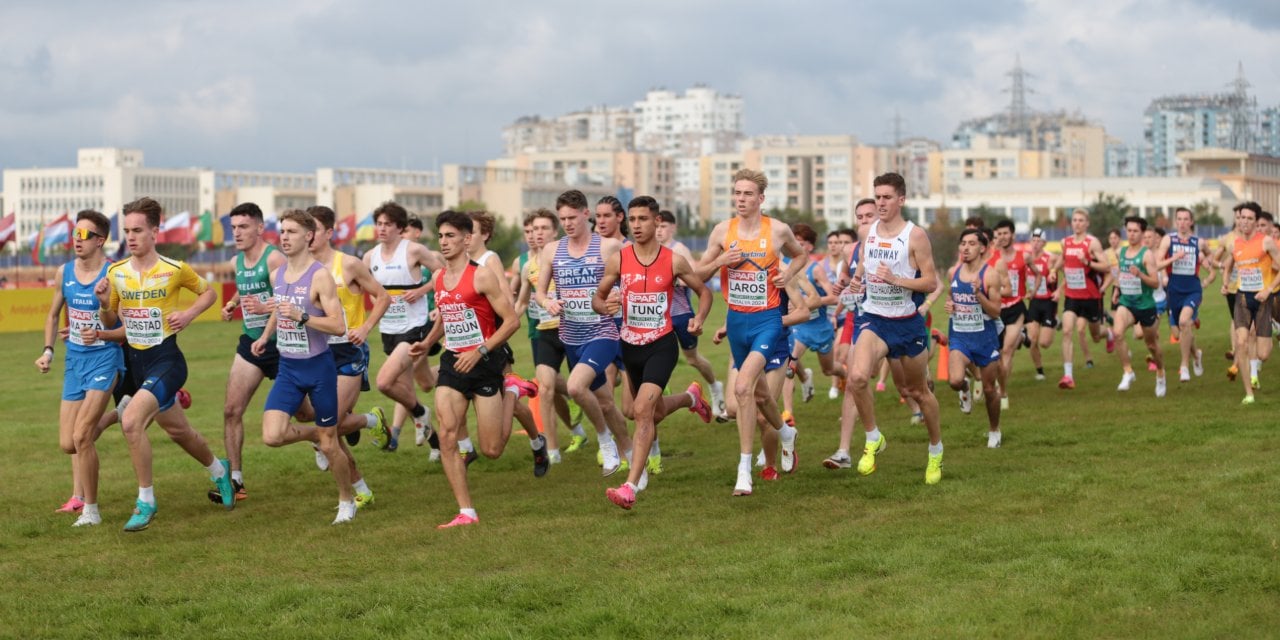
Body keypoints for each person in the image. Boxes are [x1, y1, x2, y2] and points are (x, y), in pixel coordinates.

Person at [95, 197, 235, 531]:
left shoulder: (174, 269)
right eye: (126, 230)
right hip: (136, 363)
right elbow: (113, 318)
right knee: (179, 431)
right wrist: (103, 303)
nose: (131, 236)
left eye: (138, 230)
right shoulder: (116, 272)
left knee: (131, 422)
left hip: (167, 361)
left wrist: (188, 314)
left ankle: (146, 501)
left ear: (155, 231)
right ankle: (220, 471)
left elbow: (209, 293)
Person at [409, 211, 533, 528]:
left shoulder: (481, 276)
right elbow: (446, 318)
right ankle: (466, 511)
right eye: (440, 236)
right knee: (448, 436)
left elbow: (511, 322)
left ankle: (512, 391)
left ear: (467, 239)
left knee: (492, 449)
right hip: (453, 361)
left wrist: (480, 351)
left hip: (485, 361)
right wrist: (428, 342)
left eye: (451, 236)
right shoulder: (437, 278)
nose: (444, 242)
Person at [694, 169, 806, 496]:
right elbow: (697, 273)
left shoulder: (778, 231)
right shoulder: (721, 232)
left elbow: (800, 256)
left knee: (742, 388)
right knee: (759, 395)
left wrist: (789, 276)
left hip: (768, 320)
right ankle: (785, 433)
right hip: (736, 321)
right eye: (737, 193)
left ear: (760, 198)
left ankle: (744, 471)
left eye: (747, 194)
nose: (741, 199)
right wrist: (721, 262)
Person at [597, 196, 714, 509]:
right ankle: (691, 398)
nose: (636, 225)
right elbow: (599, 298)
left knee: (643, 412)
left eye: (643, 219)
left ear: (656, 222)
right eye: (632, 219)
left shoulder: (673, 260)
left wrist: (699, 318)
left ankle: (631, 485)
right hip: (630, 345)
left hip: (662, 344)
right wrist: (606, 307)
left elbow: (704, 292)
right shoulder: (619, 260)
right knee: (650, 410)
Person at [250, 209, 356, 523]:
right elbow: (280, 309)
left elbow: (338, 326)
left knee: (330, 445)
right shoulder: (277, 275)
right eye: (282, 231)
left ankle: (346, 499)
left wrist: (303, 317)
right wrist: (266, 335)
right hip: (288, 369)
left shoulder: (320, 275)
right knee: (272, 436)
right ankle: (319, 434)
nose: (284, 237)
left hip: (319, 368)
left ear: (309, 236)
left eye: (292, 231)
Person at [845, 172, 945, 485]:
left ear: (901, 200)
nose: (881, 202)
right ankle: (873, 437)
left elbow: (930, 281)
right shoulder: (868, 231)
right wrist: (858, 278)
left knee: (917, 391)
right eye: (878, 197)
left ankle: (935, 450)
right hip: (874, 319)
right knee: (858, 377)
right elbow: (865, 258)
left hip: (907, 323)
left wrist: (896, 280)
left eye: (887, 197)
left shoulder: (915, 236)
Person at [35, 210, 130, 526]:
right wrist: (48, 351)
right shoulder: (64, 272)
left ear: (101, 240)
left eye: (85, 235)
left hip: (105, 359)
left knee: (82, 436)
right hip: (74, 361)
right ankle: (120, 412)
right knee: (67, 443)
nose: (77, 239)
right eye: (76, 233)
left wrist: (104, 307)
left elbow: (121, 329)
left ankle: (91, 511)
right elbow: (52, 315)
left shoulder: (114, 273)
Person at [536, 190, 633, 475]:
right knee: (604, 402)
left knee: (576, 387)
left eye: (572, 218)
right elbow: (540, 292)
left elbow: (630, 283)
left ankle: (605, 441)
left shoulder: (609, 247)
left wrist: (618, 297)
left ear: (585, 215)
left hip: (602, 332)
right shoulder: (552, 250)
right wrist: (548, 302)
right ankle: (630, 453)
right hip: (570, 336)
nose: (567, 223)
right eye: (562, 218)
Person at [306, 205, 393, 508]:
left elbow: (382, 297)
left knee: (328, 428)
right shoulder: (300, 268)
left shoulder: (349, 265)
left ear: (329, 232)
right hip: (313, 353)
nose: (308, 235)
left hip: (347, 349)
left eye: (313, 228)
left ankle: (369, 420)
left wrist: (366, 328)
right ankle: (362, 487)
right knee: (328, 432)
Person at [216, 202, 285, 501]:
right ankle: (236, 481)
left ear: (259, 228)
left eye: (243, 227)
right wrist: (232, 304)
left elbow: (285, 302)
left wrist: (264, 312)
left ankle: (323, 439)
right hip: (251, 344)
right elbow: (246, 289)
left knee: (307, 414)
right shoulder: (236, 262)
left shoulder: (274, 260)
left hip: (283, 346)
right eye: (233, 228)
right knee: (231, 410)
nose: (237, 233)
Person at [366, 202, 445, 455]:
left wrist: (420, 290)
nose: (382, 228)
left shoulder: (413, 251)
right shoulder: (370, 257)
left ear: (400, 228)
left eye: (388, 224)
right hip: (389, 329)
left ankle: (421, 412)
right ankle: (437, 445)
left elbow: (442, 273)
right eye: (379, 223)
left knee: (384, 382)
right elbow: (365, 286)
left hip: (414, 328)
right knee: (409, 389)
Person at [515, 209, 586, 463]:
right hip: (545, 331)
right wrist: (507, 324)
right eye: (534, 230)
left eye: (544, 229)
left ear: (555, 231)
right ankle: (553, 451)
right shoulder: (527, 267)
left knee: (591, 390)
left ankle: (605, 435)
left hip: (574, 328)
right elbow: (522, 302)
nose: (538, 234)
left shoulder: (569, 255)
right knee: (544, 387)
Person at [657, 209, 726, 422]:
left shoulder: (680, 250)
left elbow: (693, 279)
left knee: (693, 359)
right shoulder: (649, 250)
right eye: (657, 226)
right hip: (658, 315)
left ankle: (715, 387)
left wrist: (668, 279)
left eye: (664, 227)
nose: (659, 231)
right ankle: (659, 389)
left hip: (681, 313)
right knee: (656, 356)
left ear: (673, 228)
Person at [825, 199, 877, 469]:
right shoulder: (851, 250)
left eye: (870, 215)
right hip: (864, 323)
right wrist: (841, 285)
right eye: (860, 217)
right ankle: (844, 451)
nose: (864, 221)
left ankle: (921, 407)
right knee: (855, 381)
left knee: (911, 386)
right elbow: (844, 280)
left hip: (899, 323)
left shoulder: (896, 245)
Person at [779, 223, 846, 428]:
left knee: (828, 370)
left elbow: (833, 298)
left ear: (808, 247)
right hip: (798, 326)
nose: (794, 246)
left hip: (820, 327)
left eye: (800, 243)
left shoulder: (815, 269)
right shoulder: (785, 264)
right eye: (793, 242)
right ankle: (788, 413)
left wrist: (805, 303)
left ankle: (844, 374)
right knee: (789, 362)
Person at [945, 229, 1005, 448]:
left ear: (982, 248)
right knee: (954, 380)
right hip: (960, 336)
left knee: (990, 390)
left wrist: (979, 295)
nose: (965, 248)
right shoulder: (953, 272)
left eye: (971, 244)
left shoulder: (990, 275)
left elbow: (997, 311)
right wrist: (950, 306)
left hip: (985, 339)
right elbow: (952, 299)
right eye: (963, 243)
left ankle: (994, 430)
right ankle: (964, 388)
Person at [1219, 203, 1280, 404]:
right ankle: (1249, 393)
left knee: (1263, 354)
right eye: (1241, 218)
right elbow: (1228, 266)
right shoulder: (1234, 244)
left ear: (1256, 222)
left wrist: (1268, 290)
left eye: (1249, 219)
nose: (1244, 222)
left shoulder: (1266, 242)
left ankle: (1272, 326)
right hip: (1243, 298)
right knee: (1242, 343)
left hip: (1263, 300)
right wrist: (1225, 283)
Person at [1110, 216, 1167, 397]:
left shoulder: (1147, 255)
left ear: (1142, 233)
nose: (1132, 234)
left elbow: (1155, 283)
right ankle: (1128, 372)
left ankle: (1160, 374)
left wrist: (1140, 275)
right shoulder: (1123, 252)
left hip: (1145, 306)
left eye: (1135, 231)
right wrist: (1117, 289)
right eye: (1129, 230)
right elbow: (1121, 272)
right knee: (1117, 333)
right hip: (1127, 302)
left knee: (1151, 345)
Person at [1155, 207, 1214, 382]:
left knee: (1183, 322)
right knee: (1178, 332)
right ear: (1175, 221)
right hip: (1173, 291)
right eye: (1179, 219)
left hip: (1193, 290)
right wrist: (1174, 258)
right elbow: (1157, 265)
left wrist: (1210, 265)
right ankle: (1196, 354)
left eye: (1185, 219)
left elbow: (1210, 256)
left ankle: (1184, 366)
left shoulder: (1198, 242)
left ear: (1191, 222)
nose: (1182, 222)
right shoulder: (1168, 240)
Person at [1058, 209, 1114, 389]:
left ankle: (1109, 333)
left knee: (1096, 335)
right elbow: (1062, 261)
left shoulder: (1092, 243)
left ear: (1087, 223)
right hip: (1072, 297)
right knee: (1067, 331)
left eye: (1081, 220)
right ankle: (1068, 376)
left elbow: (1107, 267)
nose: (1077, 223)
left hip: (1091, 298)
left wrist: (1087, 262)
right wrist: (1053, 272)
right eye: (1074, 220)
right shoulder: (1065, 243)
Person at [988, 219, 1030, 410]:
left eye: (1006, 233)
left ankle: (1003, 393)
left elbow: (1037, 273)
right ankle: (1021, 337)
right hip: (996, 310)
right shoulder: (991, 258)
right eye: (999, 234)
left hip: (1016, 308)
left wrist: (1032, 290)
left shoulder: (1024, 256)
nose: (1002, 237)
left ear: (1012, 235)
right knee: (996, 356)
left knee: (1006, 351)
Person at [1024, 229, 1061, 381]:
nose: (1036, 243)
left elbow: (1069, 270)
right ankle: (1040, 371)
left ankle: (1056, 321)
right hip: (1033, 301)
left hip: (1048, 302)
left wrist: (1059, 290)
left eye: (1039, 241)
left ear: (1044, 243)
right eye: (1033, 240)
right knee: (1032, 339)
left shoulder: (1051, 258)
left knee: (1044, 343)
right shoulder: (1026, 258)